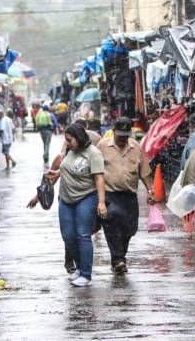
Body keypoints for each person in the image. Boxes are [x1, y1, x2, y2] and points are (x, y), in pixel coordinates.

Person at [47, 123, 107, 287]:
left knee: (83, 235)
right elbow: (68, 168)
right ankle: (79, 268)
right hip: (66, 200)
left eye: (70, 140)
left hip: (85, 197)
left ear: (79, 138)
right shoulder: (70, 151)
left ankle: (86, 274)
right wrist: (57, 173)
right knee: (68, 236)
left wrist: (101, 202)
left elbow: (99, 179)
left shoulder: (93, 154)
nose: (67, 143)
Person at [97, 117, 154, 273]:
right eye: (120, 135)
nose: (122, 139)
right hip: (110, 194)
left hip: (129, 196)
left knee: (129, 229)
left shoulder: (136, 147)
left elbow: (145, 172)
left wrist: (150, 190)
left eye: (125, 135)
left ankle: (119, 256)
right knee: (112, 224)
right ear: (113, 130)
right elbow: (95, 172)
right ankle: (118, 259)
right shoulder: (102, 146)